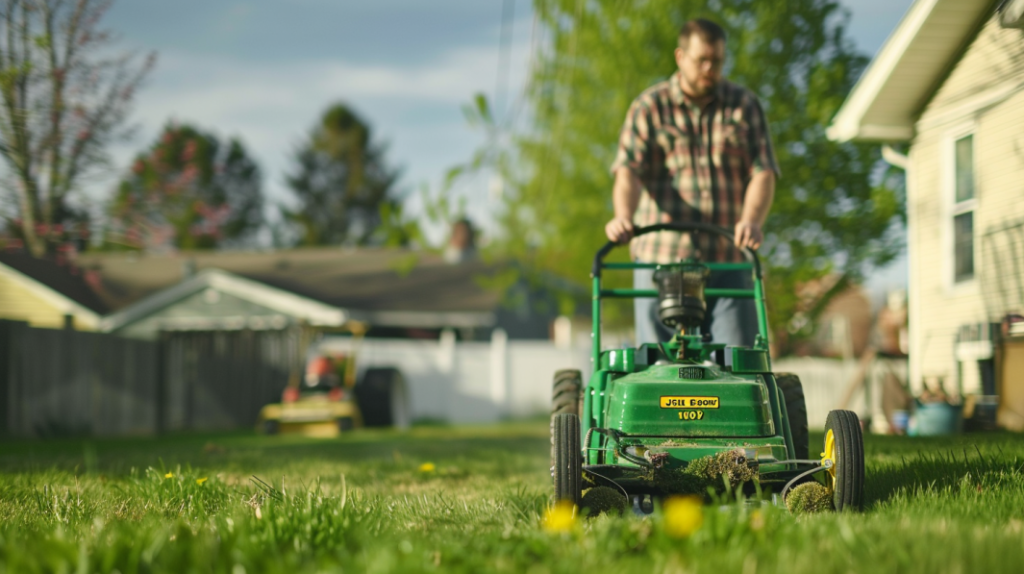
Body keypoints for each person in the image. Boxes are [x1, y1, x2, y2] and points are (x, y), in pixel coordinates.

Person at [605, 18, 780, 347]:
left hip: (727, 259)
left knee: (738, 365)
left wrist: (752, 221)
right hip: (661, 261)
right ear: (680, 57)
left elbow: (763, 171)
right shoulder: (649, 108)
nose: (710, 69)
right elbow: (628, 170)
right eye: (702, 60)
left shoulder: (744, 106)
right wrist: (622, 215)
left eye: (717, 61)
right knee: (657, 370)